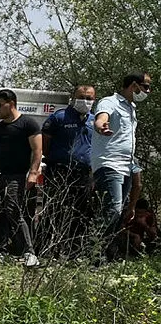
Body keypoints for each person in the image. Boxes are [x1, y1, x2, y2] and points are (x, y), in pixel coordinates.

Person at [0, 89, 42, 267]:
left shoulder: (28, 124)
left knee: (14, 211)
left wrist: (33, 173)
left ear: (10, 104)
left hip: (16, 176)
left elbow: (37, 150)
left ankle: (29, 252)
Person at [92, 71, 149, 258]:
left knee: (118, 212)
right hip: (110, 163)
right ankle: (94, 253)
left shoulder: (131, 107)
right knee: (113, 209)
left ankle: (109, 252)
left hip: (126, 165)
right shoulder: (110, 102)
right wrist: (101, 125)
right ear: (134, 86)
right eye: (145, 86)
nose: (147, 91)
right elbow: (101, 117)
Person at [40, 85, 96, 256]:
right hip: (59, 172)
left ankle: (73, 252)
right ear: (73, 97)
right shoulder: (59, 117)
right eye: (82, 97)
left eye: (89, 98)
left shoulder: (94, 120)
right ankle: (46, 250)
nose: (85, 101)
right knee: (53, 211)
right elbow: (45, 144)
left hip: (83, 174)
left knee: (81, 213)